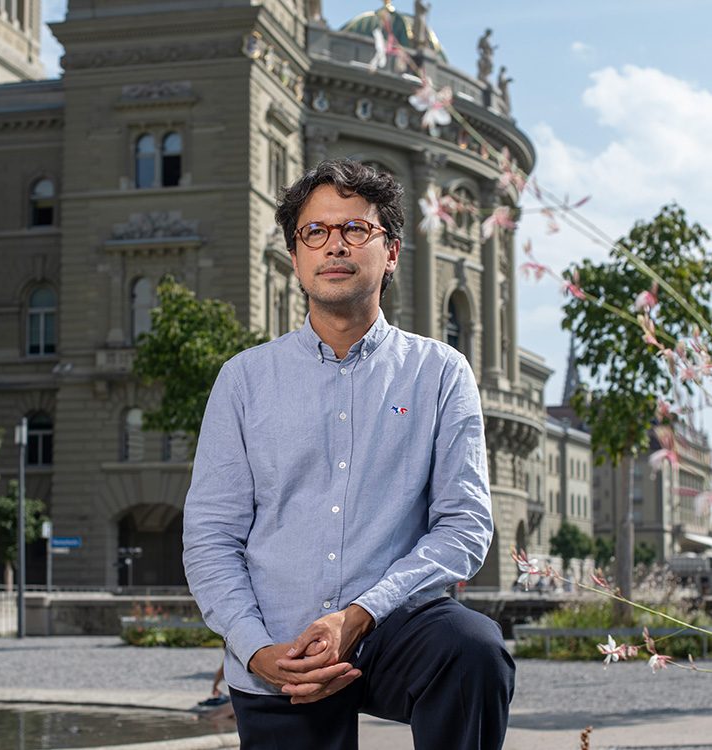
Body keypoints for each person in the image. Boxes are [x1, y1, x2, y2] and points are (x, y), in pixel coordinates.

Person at [183, 159, 515, 749]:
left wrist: (361, 612)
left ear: (389, 252)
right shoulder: (244, 380)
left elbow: (464, 525)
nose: (334, 246)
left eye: (355, 230)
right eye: (315, 232)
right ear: (295, 257)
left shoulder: (438, 373)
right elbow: (211, 536)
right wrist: (256, 647)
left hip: (395, 628)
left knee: (474, 650)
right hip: (282, 644)